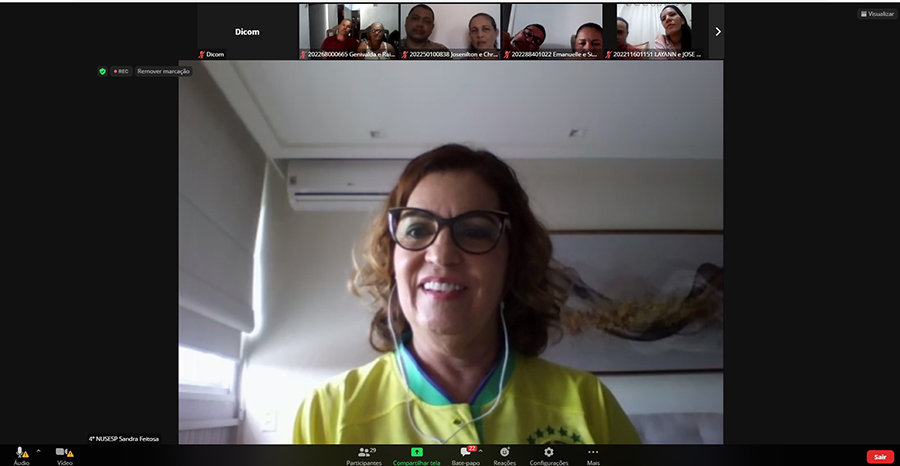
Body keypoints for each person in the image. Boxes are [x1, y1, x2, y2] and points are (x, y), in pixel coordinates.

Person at [293, 144, 642, 444]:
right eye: (417, 229)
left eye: (474, 231)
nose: (441, 254)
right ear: (392, 260)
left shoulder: (589, 405)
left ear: (513, 262)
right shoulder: (329, 415)